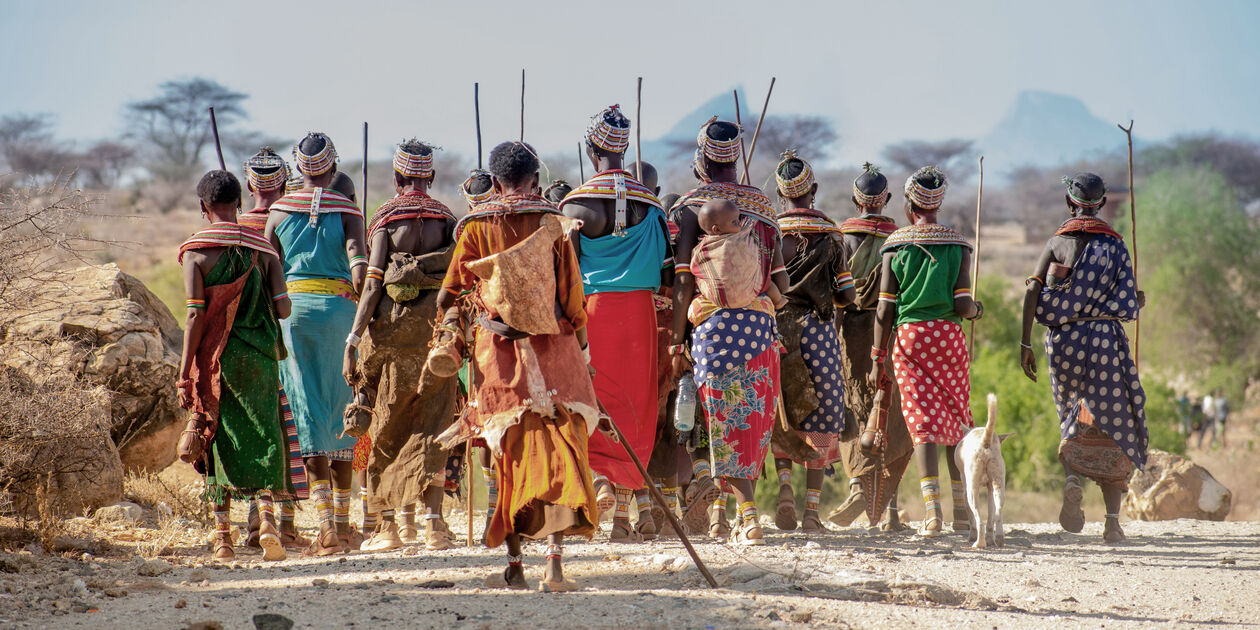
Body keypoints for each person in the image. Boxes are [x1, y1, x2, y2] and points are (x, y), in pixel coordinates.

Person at [436, 141, 601, 592]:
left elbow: (450, 291)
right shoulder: (552, 221)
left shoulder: (474, 224)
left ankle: (514, 563)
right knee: (563, 447)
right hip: (556, 349)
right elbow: (571, 296)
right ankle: (555, 565)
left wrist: (456, 325)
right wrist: (583, 350)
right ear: (532, 178)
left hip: (496, 353)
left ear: (494, 179)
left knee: (507, 451)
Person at [669, 117, 788, 545]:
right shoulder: (763, 210)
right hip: (759, 329)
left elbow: (682, 279)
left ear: (701, 158)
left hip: (712, 329)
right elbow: (782, 283)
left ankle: (737, 514)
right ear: (736, 156)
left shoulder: (689, 208)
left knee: (715, 418)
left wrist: (674, 337)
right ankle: (738, 513)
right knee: (750, 420)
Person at [558, 105, 671, 543]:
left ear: (591, 149)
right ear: (623, 149)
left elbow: (566, 273)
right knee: (635, 408)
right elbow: (665, 273)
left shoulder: (575, 204)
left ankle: (601, 483)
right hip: (640, 317)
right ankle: (623, 517)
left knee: (593, 401)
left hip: (592, 314)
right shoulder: (653, 207)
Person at [342, 139, 460, 552]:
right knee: (433, 424)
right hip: (433, 335)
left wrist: (354, 338)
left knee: (385, 426)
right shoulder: (447, 220)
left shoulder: (387, 219)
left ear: (397, 178)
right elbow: (455, 282)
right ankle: (435, 526)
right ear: (430, 176)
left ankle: (387, 528)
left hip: (389, 336)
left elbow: (373, 283)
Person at [1019, 172, 1147, 543]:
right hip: (1106, 339)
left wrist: (1025, 344)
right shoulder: (1116, 245)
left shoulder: (1058, 243)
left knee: (1072, 412)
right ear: (1102, 203)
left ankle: (1073, 479)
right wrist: (1136, 300)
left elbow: (1032, 290)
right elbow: (1126, 304)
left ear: (1069, 202)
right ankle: (1111, 522)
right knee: (1112, 421)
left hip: (1065, 341)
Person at [176, 170, 292, 562]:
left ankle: (223, 538)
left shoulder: (195, 252)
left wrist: (184, 369)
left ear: (203, 206)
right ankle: (269, 522)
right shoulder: (263, 248)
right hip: (259, 357)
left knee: (217, 434)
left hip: (216, 360)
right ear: (239, 204)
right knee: (265, 433)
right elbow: (283, 308)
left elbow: (194, 316)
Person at [264, 132, 367, 555]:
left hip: (293, 317)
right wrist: (362, 309)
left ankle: (325, 529)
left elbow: (267, 270)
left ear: (299, 168)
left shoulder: (277, 210)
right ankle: (344, 527)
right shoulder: (348, 210)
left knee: (306, 411)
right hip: (341, 313)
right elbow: (360, 269)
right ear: (333, 164)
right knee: (342, 411)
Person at [870, 166, 982, 538]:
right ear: (939, 203)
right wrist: (977, 310)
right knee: (958, 420)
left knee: (923, 424)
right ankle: (962, 514)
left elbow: (885, 310)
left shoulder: (896, 246)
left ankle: (933, 513)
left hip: (910, 340)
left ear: (908, 204)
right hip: (949, 339)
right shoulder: (958, 245)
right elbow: (964, 306)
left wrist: (876, 357)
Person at [767, 151, 855, 534]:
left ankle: (784, 488)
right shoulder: (832, 234)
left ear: (780, 192)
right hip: (818, 331)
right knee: (824, 412)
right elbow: (847, 295)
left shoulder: (768, 230)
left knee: (781, 408)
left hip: (775, 327)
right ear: (813, 190)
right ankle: (812, 513)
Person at [830, 163, 913, 531]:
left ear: (854, 199)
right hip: (892, 332)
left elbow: (838, 295)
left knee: (857, 406)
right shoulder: (902, 239)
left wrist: (832, 340)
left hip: (851, 330)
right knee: (891, 413)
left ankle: (857, 487)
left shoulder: (841, 237)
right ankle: (889, 511)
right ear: (887, 200)